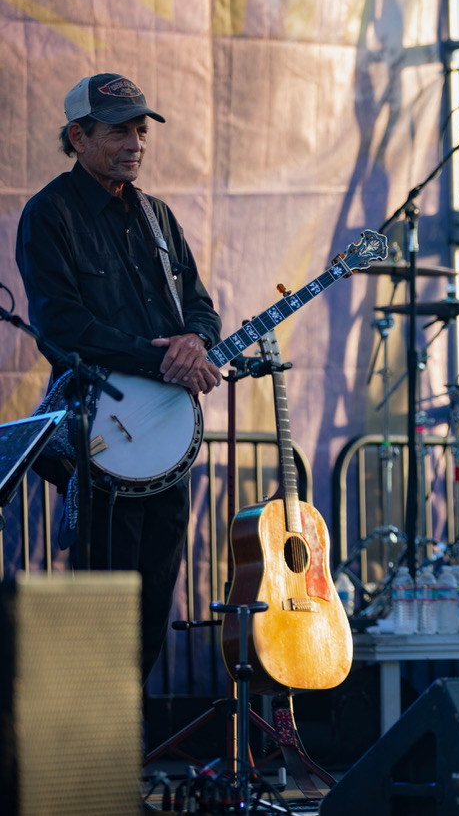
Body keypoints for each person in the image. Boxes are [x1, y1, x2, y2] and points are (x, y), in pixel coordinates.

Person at [16, 73, 223, 680]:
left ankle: (129, 731)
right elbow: (62, 327)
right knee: (105, 605)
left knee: (154, 602)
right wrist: (160, 357)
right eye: (118, 132)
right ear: (77, 137)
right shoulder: (49, 214)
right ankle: (96, 731)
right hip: (100, 435)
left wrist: (196, 340)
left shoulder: (159, 217)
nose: (135, 143)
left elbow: (201, 307)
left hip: (170, 439)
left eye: (140, 131)